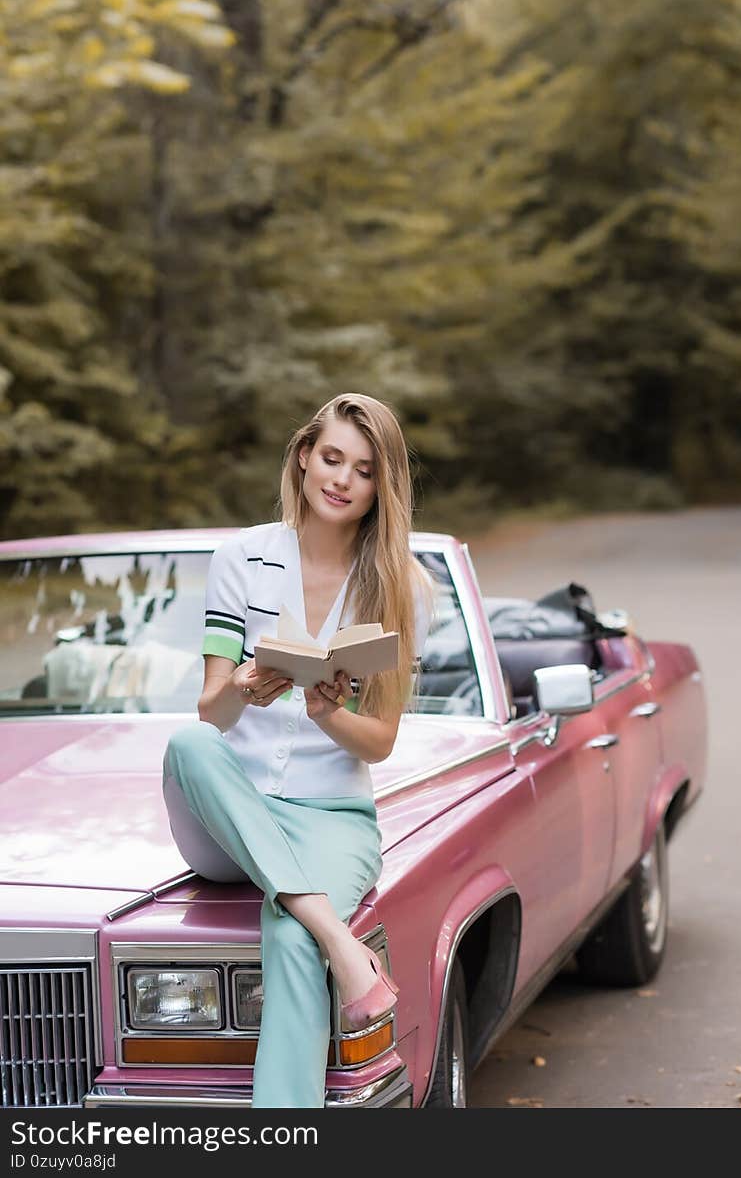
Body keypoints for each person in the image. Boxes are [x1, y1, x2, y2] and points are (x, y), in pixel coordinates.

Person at [161, 392, 435, 1107]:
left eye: (365, 470)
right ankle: (343, 946)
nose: (342, 479)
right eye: (333, 458)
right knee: (188, 743)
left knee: (289, 942)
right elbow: (210, 710)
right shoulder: (241, 558)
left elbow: (378, 742)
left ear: (383, 486)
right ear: (304, 457)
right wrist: (249, 685)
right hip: (231, 815)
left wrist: (324, 710)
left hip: (331, 817)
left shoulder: (403, 585)